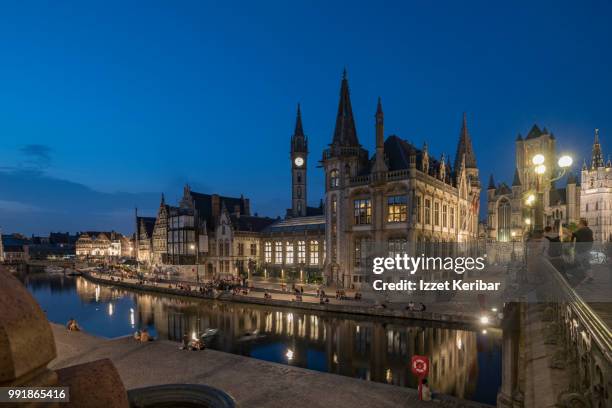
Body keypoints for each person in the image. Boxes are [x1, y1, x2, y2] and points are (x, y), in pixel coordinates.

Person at [572, 218, 594, 283]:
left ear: (582, 224)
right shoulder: (590, 230)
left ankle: (585, 277)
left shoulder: (581, 230)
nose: (578, 225)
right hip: (587, 249)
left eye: (579, 223)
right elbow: (592, 240)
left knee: (580, 264)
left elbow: (573, 235)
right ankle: (590, 276)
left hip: (581, 250)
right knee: (586, 263)